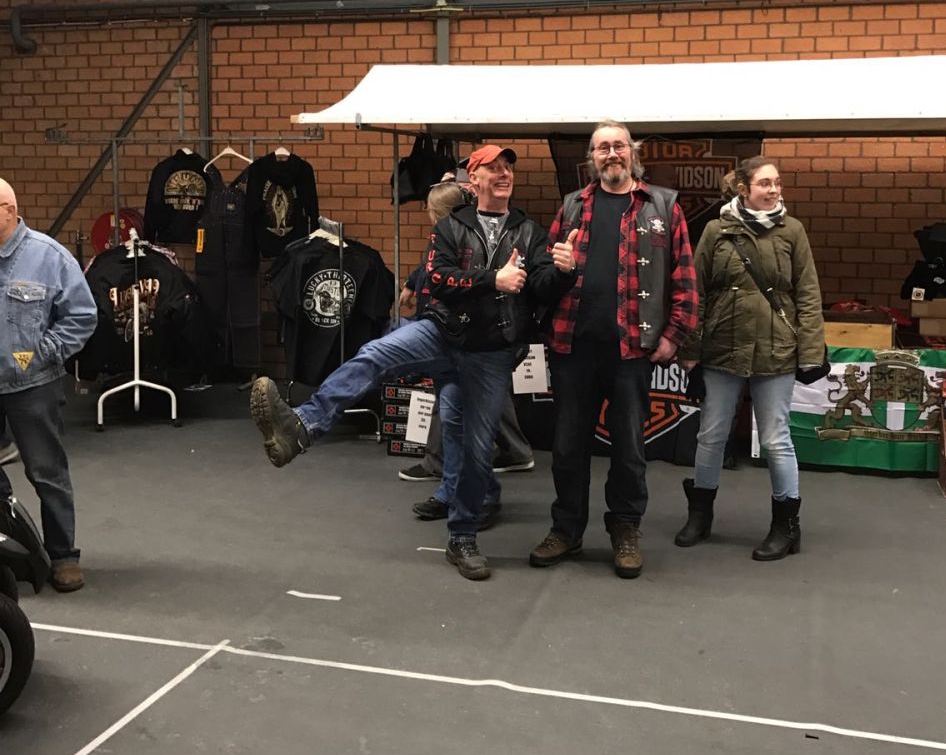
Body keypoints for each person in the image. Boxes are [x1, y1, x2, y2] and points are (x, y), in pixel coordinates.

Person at [250, 145, 577, 580]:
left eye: (507, 169)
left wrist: (564, 271)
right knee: (374, 354)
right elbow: (437, 278)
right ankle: (303, 426)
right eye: (493, 168)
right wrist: (492, 279)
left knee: (475, 447)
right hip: (442, 332)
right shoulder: (452, 227)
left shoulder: (529, 232)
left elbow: (541, 287)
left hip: (490, 352)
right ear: (474, 179)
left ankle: (462, 538)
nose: (503, 175)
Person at [530, 121, 698, 579]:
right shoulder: (572, 206)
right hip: (572, 348)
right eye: (602, 147)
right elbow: (543, 277)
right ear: (592, 158)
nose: (611, 154)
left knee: (629, 449)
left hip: (631, 352)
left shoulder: (663, 206)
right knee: (567, 448)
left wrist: (674, 335)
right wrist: (559, 268)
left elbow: (684, 277)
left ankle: (625, 530)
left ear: (632, 153)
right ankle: (566, 530)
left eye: (618, 145)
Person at [676, 156, 826, 560]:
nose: (774, 190)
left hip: (776, 351)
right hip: (722, 348)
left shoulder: (792, 231)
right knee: (711, 435)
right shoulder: (716, 231)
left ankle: (786, 526)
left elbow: (808, 294)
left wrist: (811, 353)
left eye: (777, 183)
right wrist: (690, 348)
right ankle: (700, 515)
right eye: (765, 183)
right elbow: (696, 291)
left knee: (776, 440)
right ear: (743, 189)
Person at [399, 181, 535, 523]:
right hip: (446, 339)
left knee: (472, 425)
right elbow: (432, 269)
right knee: (454, 420)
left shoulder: (482, 239)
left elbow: (477, 281)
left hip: (477, 344)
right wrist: (414, 283)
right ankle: (453, 491)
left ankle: (481, 495)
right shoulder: (444, 237)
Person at [0, 178, 98, 592]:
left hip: (33, 386)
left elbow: (82, 316)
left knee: (46, 472)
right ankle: (8, 551)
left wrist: (44, 352)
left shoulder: (49, 257)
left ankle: (62, 556)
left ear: (8, 210)